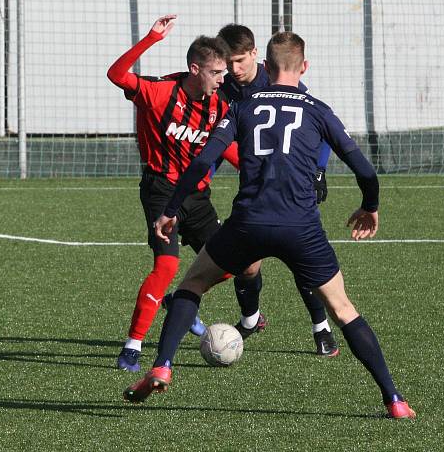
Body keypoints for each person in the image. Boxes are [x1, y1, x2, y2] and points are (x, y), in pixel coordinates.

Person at [123, 31, 416, 419]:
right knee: (344, 309)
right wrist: (370, 206)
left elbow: (201, 160)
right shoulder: (317, 109)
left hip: (248, 223)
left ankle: (162, 365)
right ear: (303, 67)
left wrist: (172, 208)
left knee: (192, 284)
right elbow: (364, 170)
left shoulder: (241, 107)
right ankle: (393, 399)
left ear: (267, 66)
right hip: (301, 226)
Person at [107, 14, 242, 372]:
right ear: (195, 69)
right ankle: (132, 347)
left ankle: (178, 300)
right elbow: (116, 75)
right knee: (166, 265)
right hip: (161, 190)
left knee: (229, 265)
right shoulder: (158, 92)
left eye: (224, 73)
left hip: (197, 196)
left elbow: (226, 148)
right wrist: (151, 38)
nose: (222, 79)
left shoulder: (220, 106)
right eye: (216, 73)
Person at [217, 23, 339, 356]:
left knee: (302, 258)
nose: (234, 69)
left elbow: (320, 126)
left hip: (290, 186)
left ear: (257, 55)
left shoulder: (279, 79)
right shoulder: (223, 88)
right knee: (247, 264)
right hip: (254, 187)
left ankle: (321, 327)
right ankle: (251, 317)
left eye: (240, 60)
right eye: (228, 63)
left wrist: (318, 170)